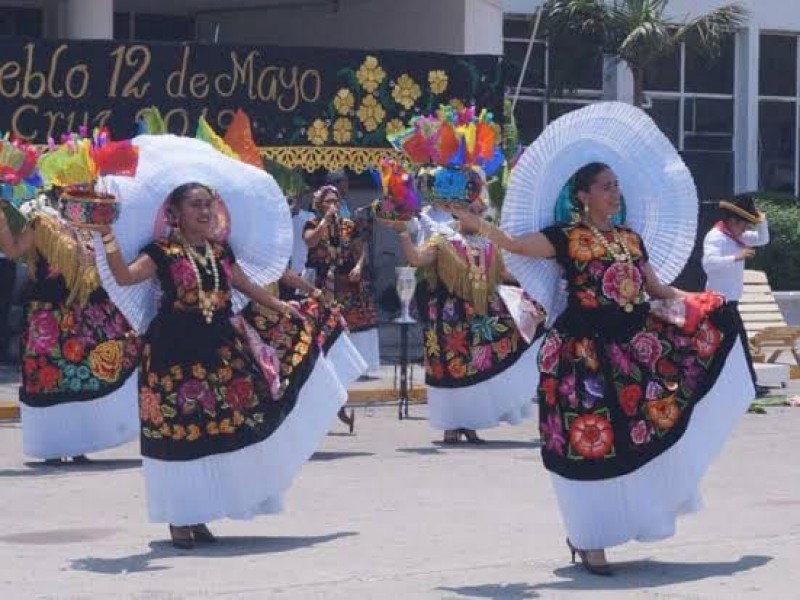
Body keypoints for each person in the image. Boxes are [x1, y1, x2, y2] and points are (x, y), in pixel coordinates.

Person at [456, 160, 754, 575]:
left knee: (639, 432)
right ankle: (588, 538)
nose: (615, 193)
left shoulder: (631, 240)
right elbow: (517, 245)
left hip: (631, 349)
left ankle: (614, 523)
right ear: (583, 195)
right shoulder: (567, 236)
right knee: (587, 443)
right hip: (581, 354)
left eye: (617, 186)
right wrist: (478, 224)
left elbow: (656, 289)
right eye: (605, 186)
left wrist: (705, 302)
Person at [99, 179, 347, 549]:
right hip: (172, 352)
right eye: (195, 205)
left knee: (216, 428)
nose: (204, 212)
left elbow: (247, 287)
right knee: (177, 433)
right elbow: (124, 277)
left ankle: (200, 511)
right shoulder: (161, 251)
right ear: (175, 213)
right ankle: (179, 518)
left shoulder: (220, 251)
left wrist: (283, 308)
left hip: (218, 346)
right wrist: (106, 234)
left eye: (208, 205)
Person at [383, 194, 542, 444]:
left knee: (476, 370)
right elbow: (416, 259)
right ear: (460, 212)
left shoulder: (490, 242)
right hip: (447, 317)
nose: (479, 216)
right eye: (474, 211)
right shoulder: (443, 239)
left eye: (481, 212)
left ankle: (469, 423)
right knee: (448, 371)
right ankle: (450, 425)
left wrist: (537, 283)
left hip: (479, 317)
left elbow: (502, 274)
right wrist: (403, 234)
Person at [0, 195, 140, 465]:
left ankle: (78, 442)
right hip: (50, 315)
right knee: (49, 380)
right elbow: (15, 250)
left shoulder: (92, 222)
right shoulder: (42, 221)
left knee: (83, 378)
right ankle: (52, 446)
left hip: (86, 313)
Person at [303, 185, 381, 374]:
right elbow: (310, 241)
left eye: (336, 201)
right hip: (325, 281)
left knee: (358, 321)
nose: (333, 205)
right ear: (320, 204)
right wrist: (325, 222)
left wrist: (358, 266)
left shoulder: (348, 225)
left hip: (348, 280)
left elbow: (360, 249)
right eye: (329, 201)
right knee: (326, 322)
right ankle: (328, 366)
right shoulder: (312, 224)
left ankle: (361, 368)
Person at [702, 193, 770, 396]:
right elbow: (709, 264)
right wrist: (736, 257)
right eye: (744, 224)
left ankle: (748, 385)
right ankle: (748, 386)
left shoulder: (737, 236)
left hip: (730, 302)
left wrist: (762, 220)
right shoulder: (716, 237)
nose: (747, 229)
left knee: (734, 344)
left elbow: (762, 239)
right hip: (718, 302)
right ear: (732, 221)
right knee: (732, 345)